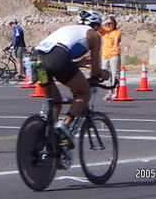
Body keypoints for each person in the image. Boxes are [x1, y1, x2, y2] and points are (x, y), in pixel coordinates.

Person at [33, 10, 109, 149]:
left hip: (37, 59)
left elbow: (54, 53)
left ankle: (50, 140)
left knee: (55, 102)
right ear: (97, 26)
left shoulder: (67, 29)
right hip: (57, 58)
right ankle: (65, 124)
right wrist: (104, 75)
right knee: (84, 93)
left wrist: (77, 64)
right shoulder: (94, 35)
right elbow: (95, 71)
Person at [99, 16, 121, 100]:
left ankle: (116, 92)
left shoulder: (117, 32)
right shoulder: (105, 31)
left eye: (111, 23)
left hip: (114, 54)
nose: (110, 25)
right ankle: (109, 93)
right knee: (107, 74)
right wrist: (105, 22)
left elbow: (116, 40)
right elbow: (98, 28)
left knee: (115, 73)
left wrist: (115, 46)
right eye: (109, 23)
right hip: (105, 55)